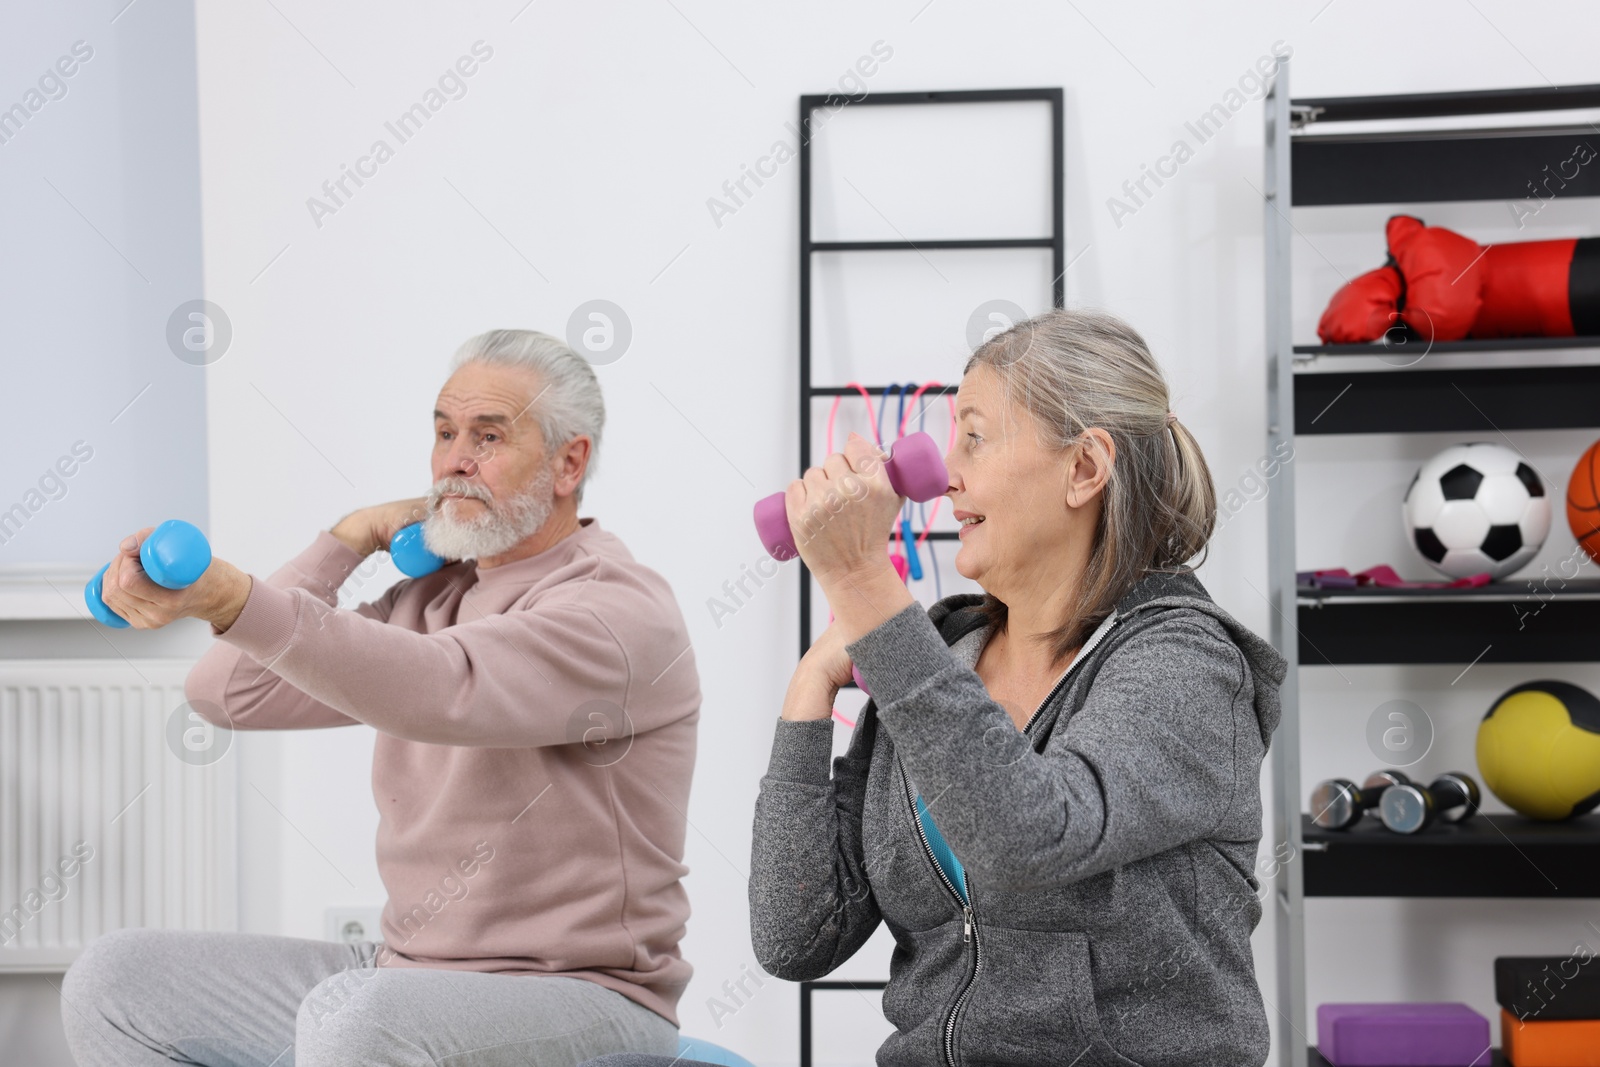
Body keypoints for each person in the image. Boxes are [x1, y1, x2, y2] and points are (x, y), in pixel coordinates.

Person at [588, 307, 1287, 1067]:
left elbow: (1031, 835)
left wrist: (860, 580)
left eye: (976, 437)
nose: (948, 474)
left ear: (1084, 468)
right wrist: (810, 689)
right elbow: (797, 935)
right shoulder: (941, 659)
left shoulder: (1186, 663)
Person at [60, 330, 699, 1067]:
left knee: (357, 1021)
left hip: (586, 997)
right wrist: (346, 540)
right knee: (116, 980)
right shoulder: (430, 595)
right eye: (444, 431)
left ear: (569, 461)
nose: (456, 459)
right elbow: (227, 691)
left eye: (488, 436)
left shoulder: (615, 612)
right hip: (406, 978)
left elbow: (441, 687)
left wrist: (233, 595)